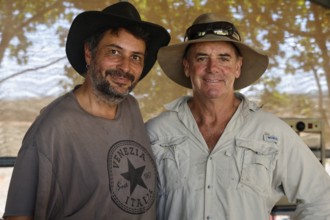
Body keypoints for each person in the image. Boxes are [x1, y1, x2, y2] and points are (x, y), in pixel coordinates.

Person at [146, 13, 330, 220]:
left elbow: (322, 199)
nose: (213, 68)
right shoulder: (155, 133)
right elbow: (131, 206)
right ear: (187, 67)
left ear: (238, 67)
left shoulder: (272, 132)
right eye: (201, 58)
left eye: (224, 58)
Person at [3, 2, 170, 220]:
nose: (126, 67)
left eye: (136, 57)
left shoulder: (131, 108)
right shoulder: (52, 128)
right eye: (114, 52)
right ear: (89, 53)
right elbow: (18, 216)